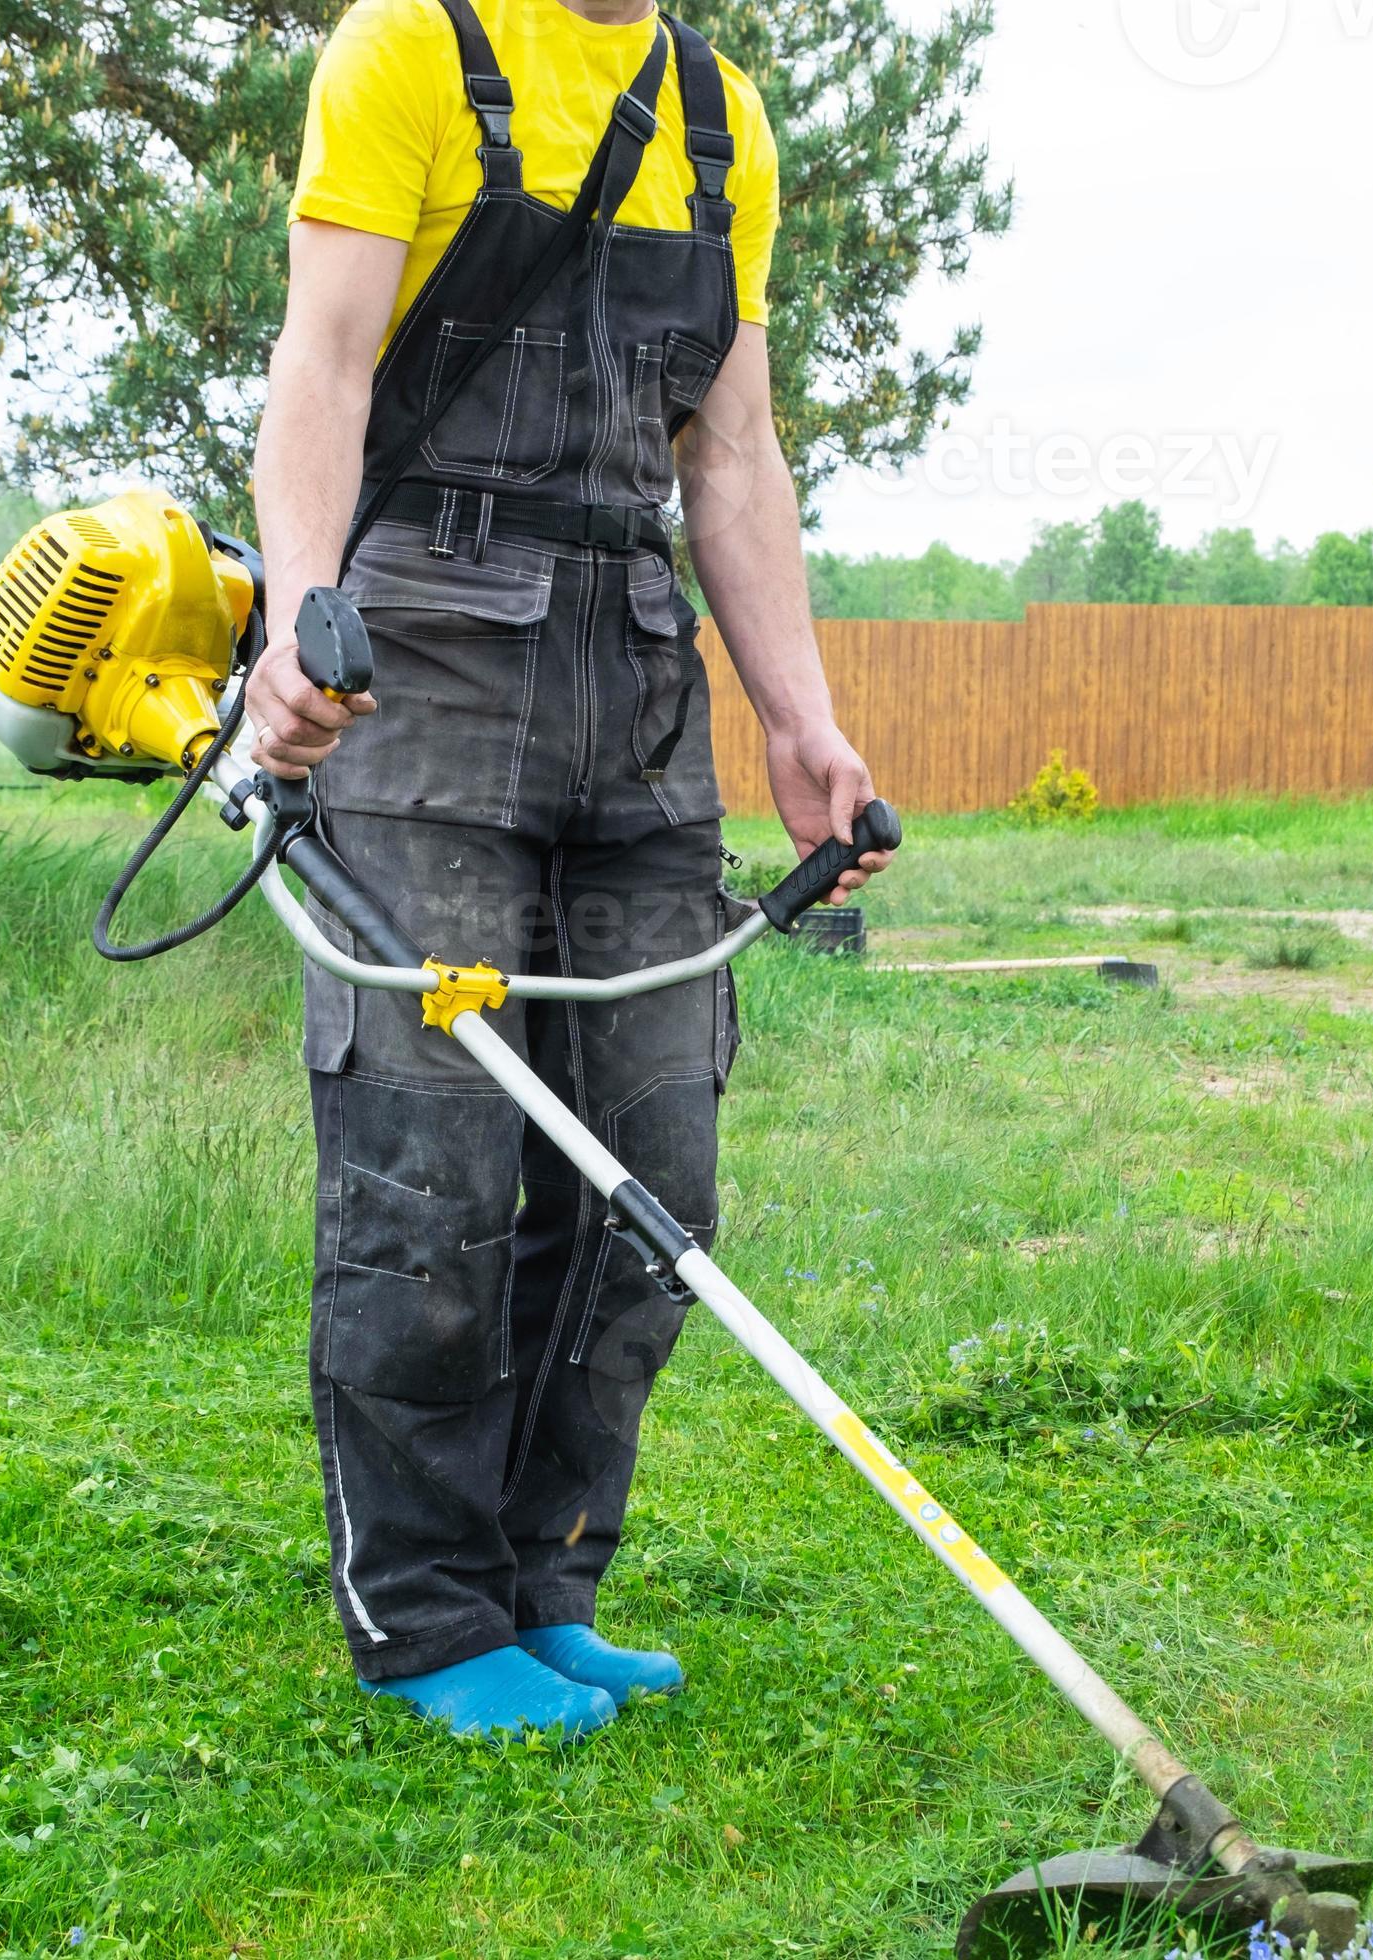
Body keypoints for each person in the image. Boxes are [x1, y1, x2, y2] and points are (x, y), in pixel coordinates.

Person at [245, 0, 894, 1741]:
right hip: (423, 668)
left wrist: (797, 716)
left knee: (653, 1181)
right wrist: (302, 622)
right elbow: (327, 361)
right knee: (431, 1174)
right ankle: (432, 1615)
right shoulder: (407, 46)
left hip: (633, 679)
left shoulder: (717, 112)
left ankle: (547, 1585)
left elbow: (733, 448)